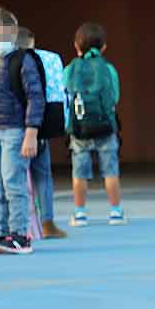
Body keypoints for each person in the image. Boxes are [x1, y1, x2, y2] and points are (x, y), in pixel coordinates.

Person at [0, 8, 42, 255]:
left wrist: (31, 132)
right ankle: (2, 232)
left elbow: (36, 97)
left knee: (13, 183)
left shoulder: (23, 60)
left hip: (15, 131)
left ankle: (20, 234)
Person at [64, 22, 124, 227]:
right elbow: (114, 97)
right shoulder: (108, 69)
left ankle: (80, 213)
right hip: (105, 126)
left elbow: (67, 97)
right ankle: (115, 211)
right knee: (110, 170)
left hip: (80, 129)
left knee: (79, 172)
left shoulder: (71, 69)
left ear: (76, 46)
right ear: (104, 47)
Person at [17, 28, 67, 240]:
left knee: (15, 178)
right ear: (32, 40)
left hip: (14, 124)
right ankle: (47, 222)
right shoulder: (51, 58)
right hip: (43, 124)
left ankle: (21, 225)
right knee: (43, 176)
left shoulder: (10, 61)